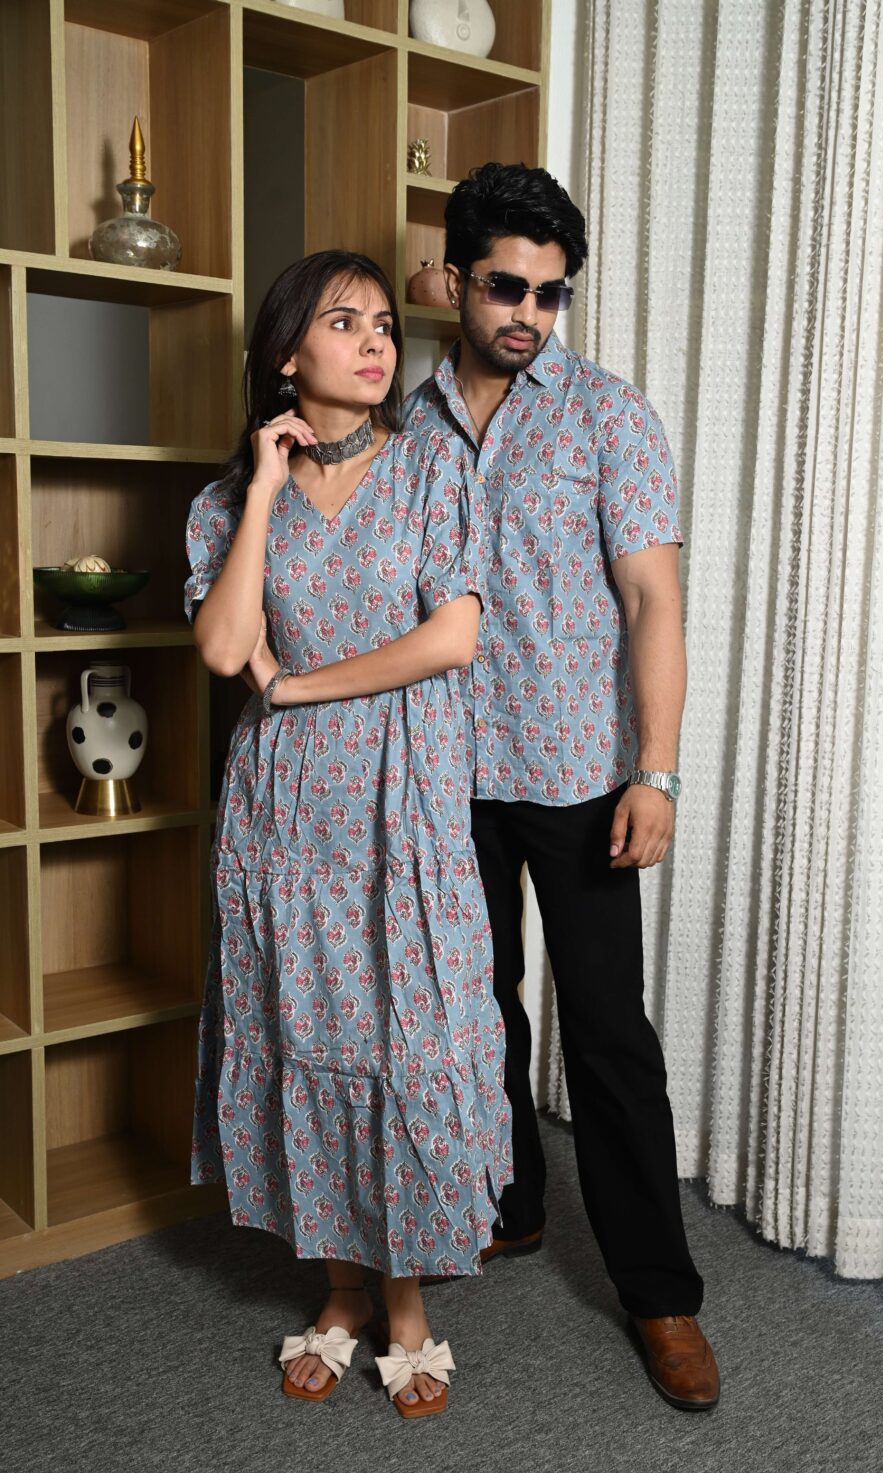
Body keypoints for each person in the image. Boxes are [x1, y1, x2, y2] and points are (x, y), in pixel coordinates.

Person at [403, 164, 720, 1411]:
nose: (527, 312)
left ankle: (659, 1294)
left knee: (604, 1030)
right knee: (471, 1008)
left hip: (579, 772)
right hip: (443, 767)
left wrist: (656, 772)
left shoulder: (609, 417)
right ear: (454, 280)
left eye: (550, 293)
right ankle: (512, 1205)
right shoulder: (405, 416)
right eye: (503, 286)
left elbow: (652, 603)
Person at [184, 250, 510, 1419]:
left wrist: (297, 688)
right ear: (287, 355)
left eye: (382, 322)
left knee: (403, 1044)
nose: (375, 341)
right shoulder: (227, 502)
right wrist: (264, 489)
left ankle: (404, 1302)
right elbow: (226, 649)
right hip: (283, 815)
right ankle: (337, 1292)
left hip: (399, 799)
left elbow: (450, 638)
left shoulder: (431, 471)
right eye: (343, 322)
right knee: (304, 1035)